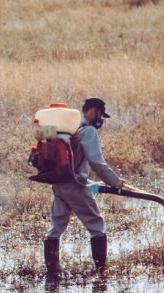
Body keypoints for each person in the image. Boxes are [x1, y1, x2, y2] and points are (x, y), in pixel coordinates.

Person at [44, 97, 125, 276]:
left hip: (59, 183)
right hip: (75, 185)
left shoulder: (71, 129)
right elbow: (96, 162)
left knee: (56, 227)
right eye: (100, 115)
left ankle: (52, 272)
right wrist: (115, 182)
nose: (101, 120)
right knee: (97, 225)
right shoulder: (87, 131)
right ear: (92, 111)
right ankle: (101, 272)